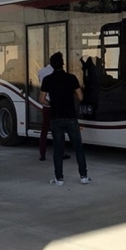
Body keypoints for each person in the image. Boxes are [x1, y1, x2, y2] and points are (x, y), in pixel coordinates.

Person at [40, 52, 90, 186]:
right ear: (63, 64)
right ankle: (84, 176)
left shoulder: (47, 80)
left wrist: (52, 104)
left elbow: (42, 99)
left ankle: (59, 179)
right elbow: (80, 97)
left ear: (51, 65)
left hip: (56, 117)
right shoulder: (72, 78)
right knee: (78, 147)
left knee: (58, 148)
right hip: (71, 117)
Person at [38, 63, 70, 162]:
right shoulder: (55, 73)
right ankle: (62, 152)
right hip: (56, 106)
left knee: (44, 130)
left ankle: (42, 154)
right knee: (59, 130)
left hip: (46, 105)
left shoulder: (41, 71)